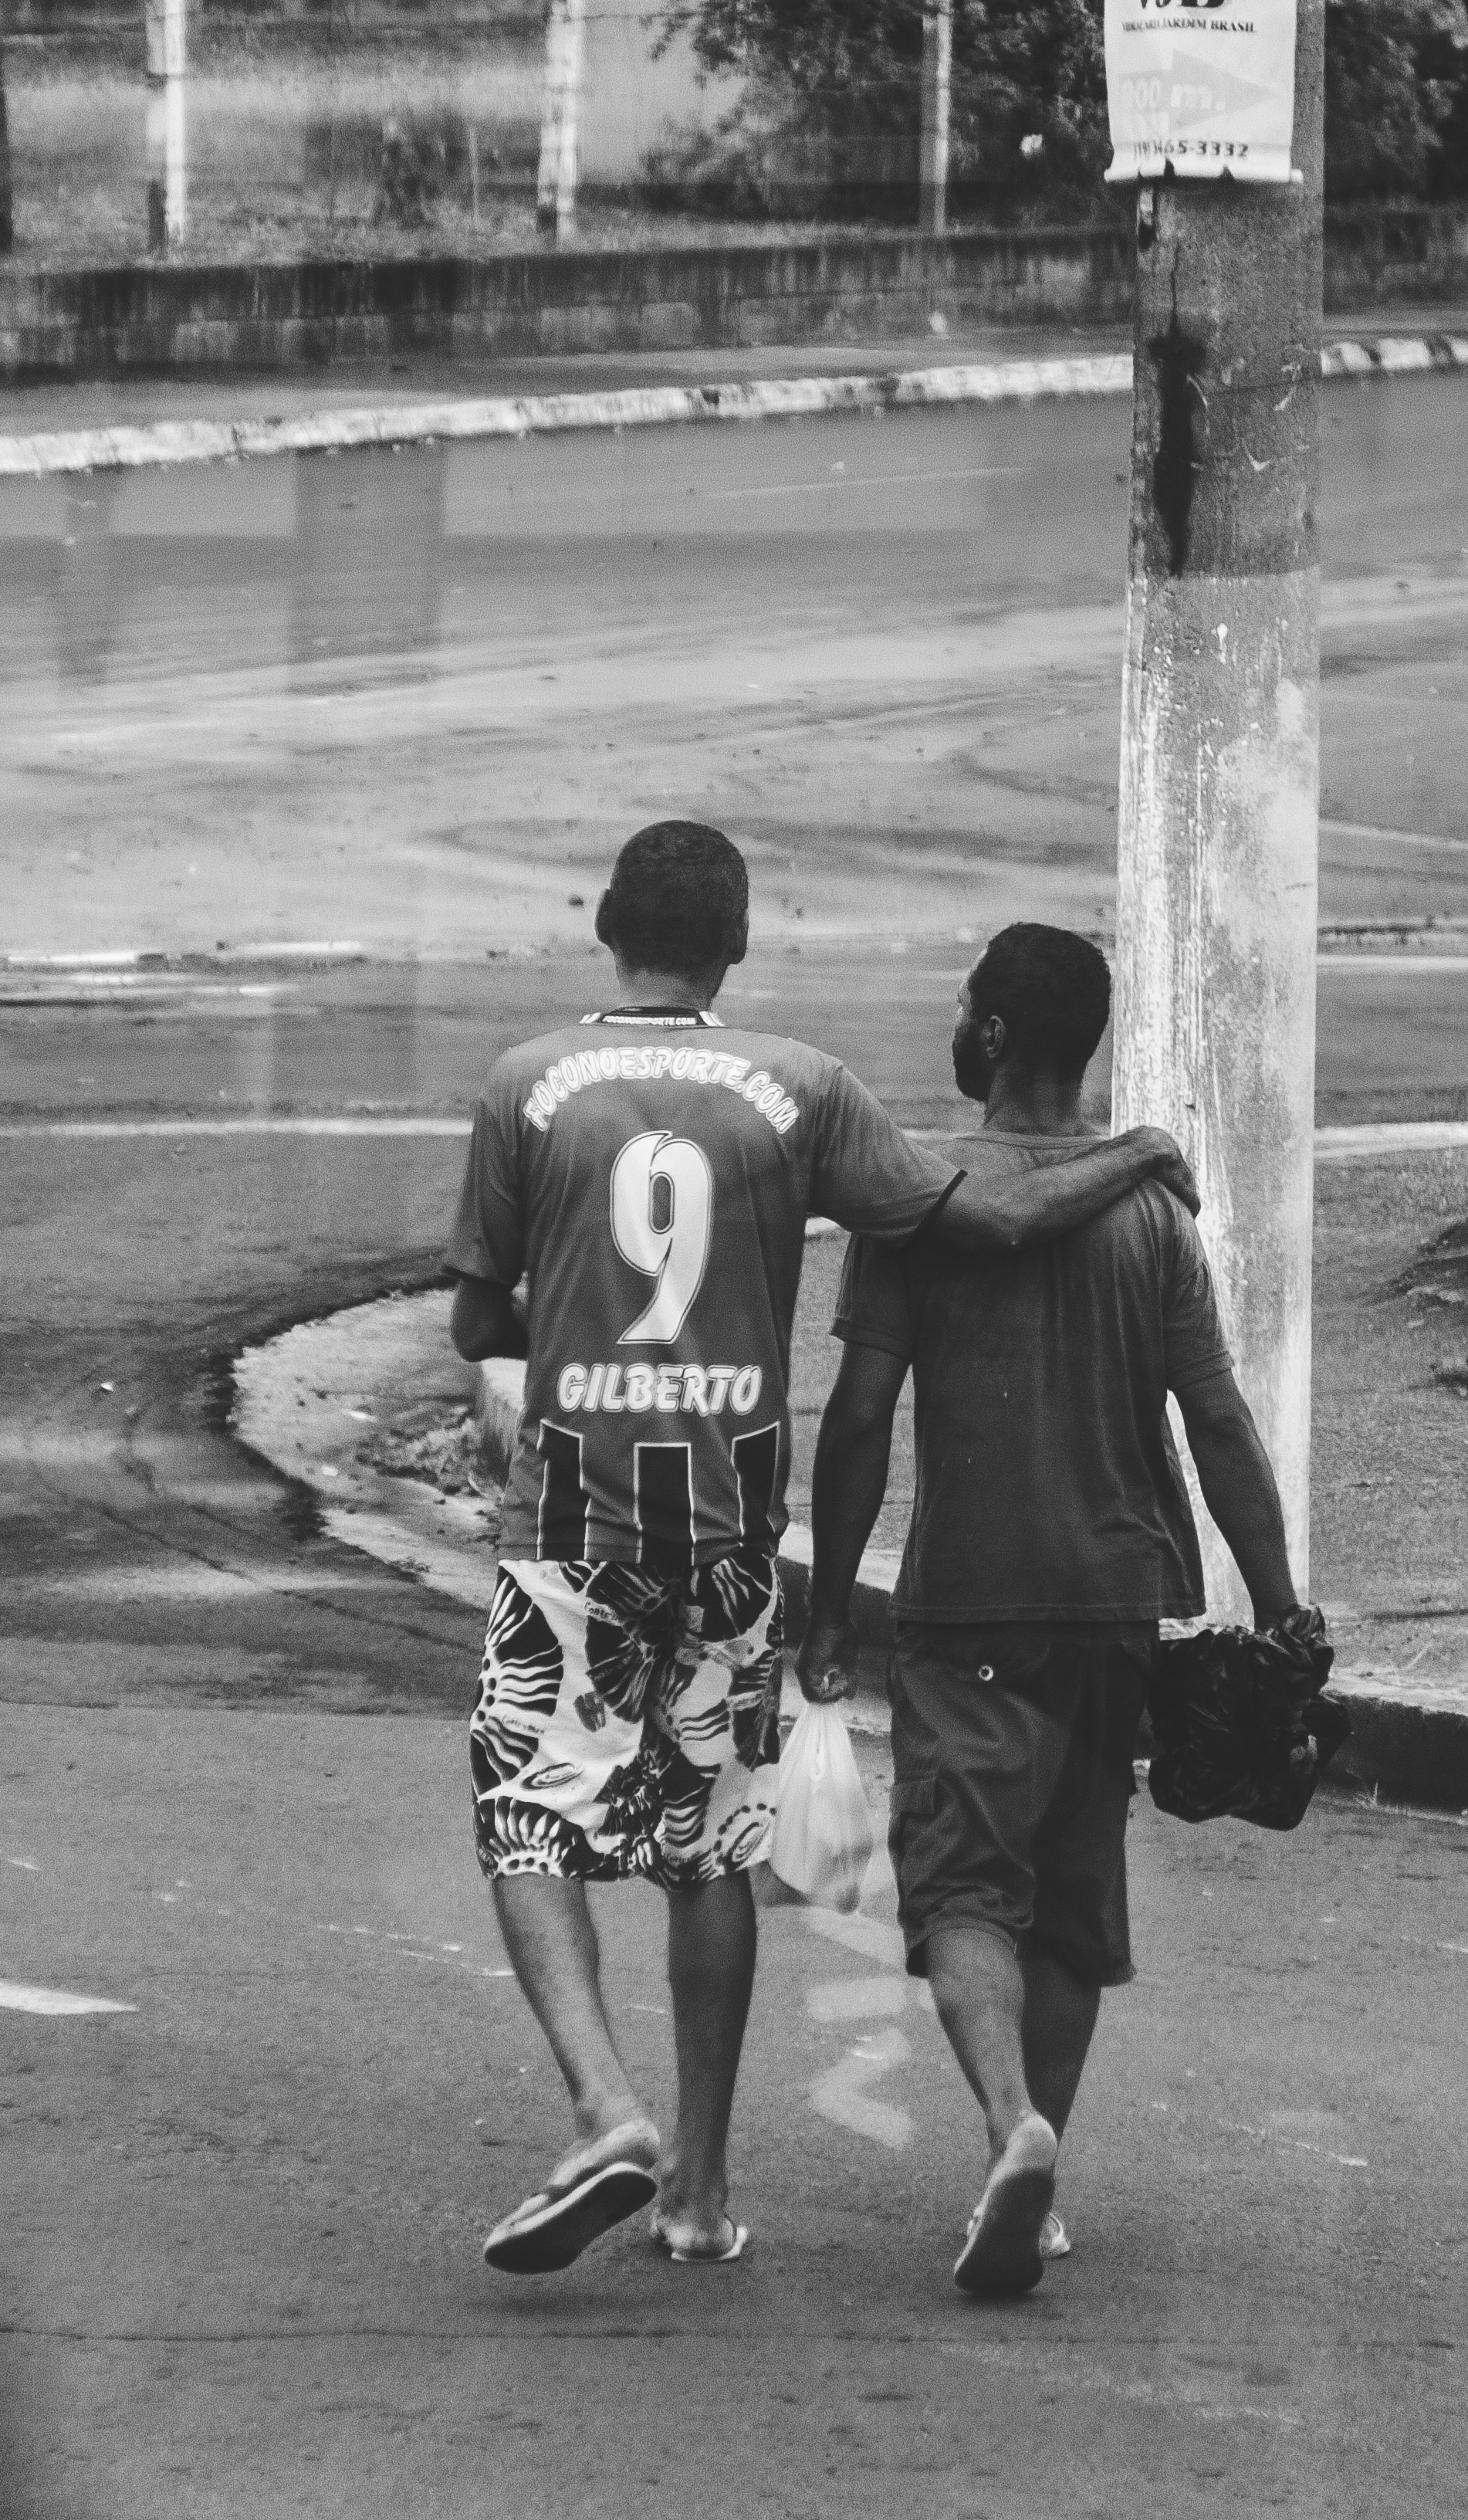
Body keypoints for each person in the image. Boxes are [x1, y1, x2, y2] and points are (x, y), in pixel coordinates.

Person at [445, 825, 1202, 2276]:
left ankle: (610, 2108)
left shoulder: (522, 1085)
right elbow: (991, 1213)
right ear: (736, 948)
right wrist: (1141, 1156)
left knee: (526, 1813)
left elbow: (478, 1322)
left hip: (573, 1528)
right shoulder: (801, 1089)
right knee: (709, 1846)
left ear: (607, 924)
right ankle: (701, 2195)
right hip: (729, 1536)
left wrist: (581, 1334)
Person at [797, 922, 1308, 2298]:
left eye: (967, 1005)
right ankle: (1036, 2177)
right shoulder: (1150, 1214)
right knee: (1074, 1899)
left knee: (964, 1885)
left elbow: (858, 1417)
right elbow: (1216, 1421)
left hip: (970, 1603)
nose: (955, 1021)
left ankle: (1010, 2123)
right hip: (1119, 1603)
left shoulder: (921, 1198)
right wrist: (1281, 1608)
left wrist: (834, 1600)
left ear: (1001, 1038)